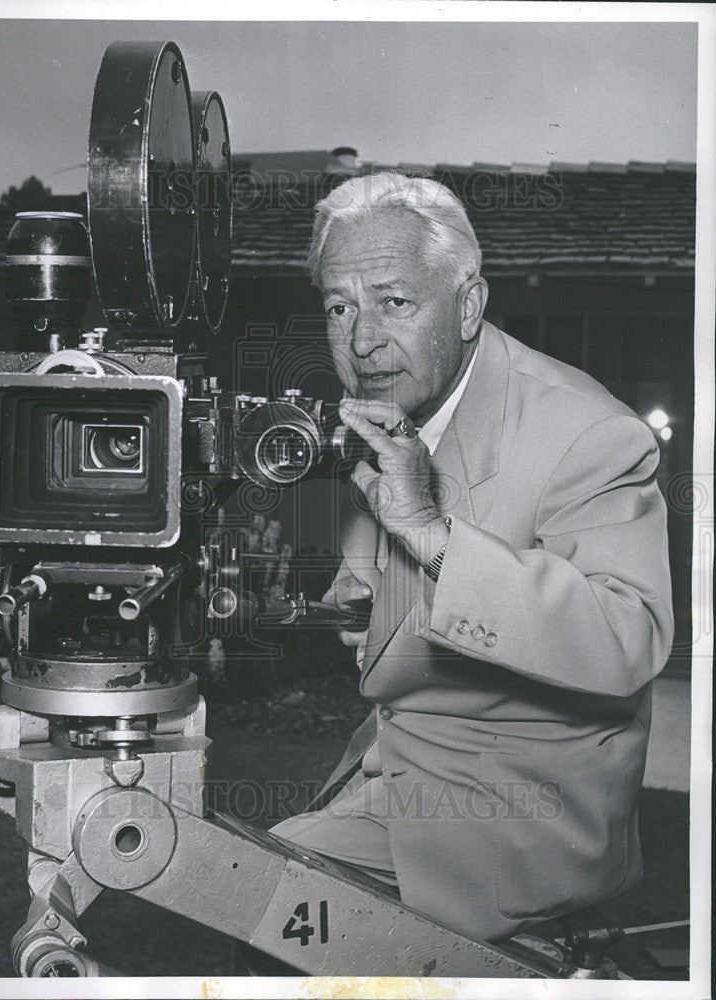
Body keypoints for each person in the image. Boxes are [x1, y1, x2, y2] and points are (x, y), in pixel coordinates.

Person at [269, 171, 674, 944]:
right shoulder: (400, 414)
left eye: (393, 302)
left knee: (257, 904)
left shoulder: (588, 431)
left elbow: (631, 636)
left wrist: (429, 531)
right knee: (239, 885)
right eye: (339, 307)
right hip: (398, 775)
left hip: (523, 819)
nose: (360, 342)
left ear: (466, 305)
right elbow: (381, 615)